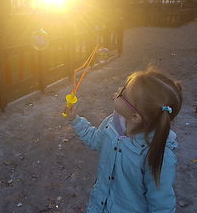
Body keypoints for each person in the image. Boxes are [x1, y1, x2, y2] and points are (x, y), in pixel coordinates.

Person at [62, 69, 182, 213]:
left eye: (124, 93)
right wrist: (75, 120)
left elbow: (162, 206)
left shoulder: (157, 155)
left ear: (136, 117)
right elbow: (95, 140)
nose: (118, 89)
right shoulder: (112, 124)